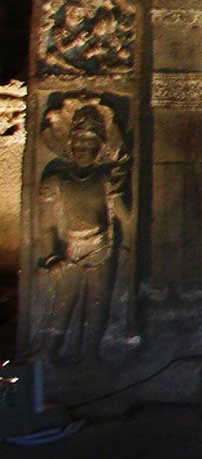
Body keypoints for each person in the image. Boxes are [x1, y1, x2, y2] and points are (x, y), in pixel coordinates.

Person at [34, 101, 132, 362]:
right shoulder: (55, 181)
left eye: (90, 146)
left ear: (101, 148)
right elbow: (47, 225)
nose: (82, 150)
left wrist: (117, 193)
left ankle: (91, 353)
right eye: (78, 144)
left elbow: (125, 219)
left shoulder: (105, 178)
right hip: (71, 249)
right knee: (62, 304)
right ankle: (50, 350)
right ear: (68, 145)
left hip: (101, 249)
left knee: (96, 305)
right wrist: (51, 256)